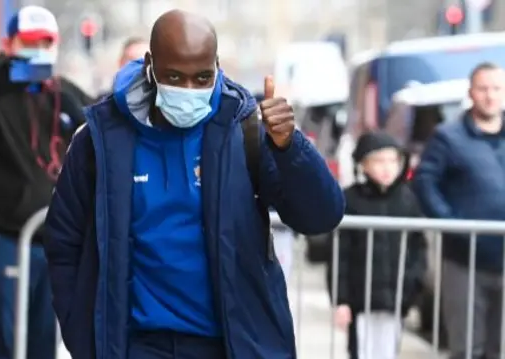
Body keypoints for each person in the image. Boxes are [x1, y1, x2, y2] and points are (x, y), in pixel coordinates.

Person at [44, 9, 345, 359]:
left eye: (202, 78)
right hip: (138, 346)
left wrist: (291, 148)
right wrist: (83, 337)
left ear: (216, 66)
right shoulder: (101, 140)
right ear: (149, 65)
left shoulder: (243, 129)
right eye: (174, 76)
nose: (189, 90)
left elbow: (322, 217)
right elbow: (63, 241)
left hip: (229, 344)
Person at [0, 5, 93, 358]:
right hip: (3, 237)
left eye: (45, 42)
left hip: (53, 242)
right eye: (28, 42)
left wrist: (79, 113)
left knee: (43, 340)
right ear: (9, 44)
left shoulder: (63, 92)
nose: (37, 50)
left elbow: (97, 139)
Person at [413, 62, 505, 359]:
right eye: (483, 88)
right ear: (471, 93)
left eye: (497, 89)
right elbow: (426, 183)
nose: (490, 96)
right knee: (467, 347)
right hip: (465, 260)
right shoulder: (448, 137)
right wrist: (452, 223)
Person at [328, 132, 427, 359]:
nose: (387, 168)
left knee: (388, 351)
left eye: (393, 161)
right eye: (379, 161)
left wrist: (413, 287)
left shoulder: (407, 200)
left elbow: (418, 247)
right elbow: (340, 254)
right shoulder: (350, 200)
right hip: (360, 300)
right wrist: (341, 300)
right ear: (363, 164)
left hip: (396, 299)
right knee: (361, 351)